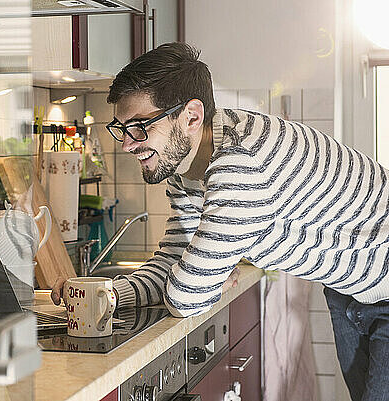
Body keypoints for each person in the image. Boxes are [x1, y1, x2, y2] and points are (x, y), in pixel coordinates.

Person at [50, 42, 389, 400]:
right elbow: (173, 263)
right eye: (121, 128)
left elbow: (185, 296)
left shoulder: (241, 163)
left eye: (139, 127)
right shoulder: (188, 166)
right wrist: (106, 295)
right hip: (350, 291)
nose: (127, 145)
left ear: (192, 117)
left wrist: (202, 278)